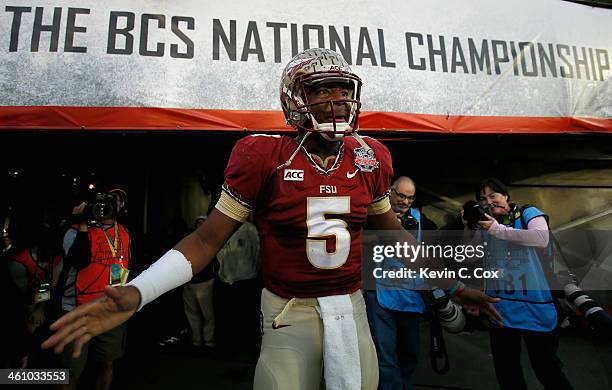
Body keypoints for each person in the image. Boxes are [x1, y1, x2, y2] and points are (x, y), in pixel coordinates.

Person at [43, 48, 500, 390]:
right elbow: (207, 241)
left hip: (352, 310)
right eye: (322, 90)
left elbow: (397, 238)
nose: (337, 101)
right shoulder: (263, 155)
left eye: (344, 90)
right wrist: (141, 290)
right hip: (288, 312)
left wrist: (454, 288)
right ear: (295, 98)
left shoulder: (370, 155)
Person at [468, 178, 573, 390]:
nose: (489, 202)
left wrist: (498, 230)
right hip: (502, 309)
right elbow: (469, 255)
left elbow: (541, 238)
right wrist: (467, 226)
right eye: (483, 199)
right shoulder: (486, 226)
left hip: (537, 307)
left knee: (547, 371)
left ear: (506, 196)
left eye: (493, 196)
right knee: (508, 374)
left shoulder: (527, 213)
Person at [56, 190, 131, 390]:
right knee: (71, 371)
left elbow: (122, 266)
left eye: (111, 202)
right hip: (77, 308)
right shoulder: (74, 231)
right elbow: (79, 261)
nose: (105, 207)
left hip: (109, 307)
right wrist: (82, 224)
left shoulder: (123, 232)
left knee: (107, 362)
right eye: (100, 203)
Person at [366, 176, 429, 390]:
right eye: (401, 195)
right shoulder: (372, 215)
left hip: (410, 296)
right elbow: (355, 240)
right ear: (389, 191)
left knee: (409, 353)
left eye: (409, 198)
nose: (404, 201)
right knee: (384, 355)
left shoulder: (421, 221)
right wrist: (385, 233)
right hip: (379, 294)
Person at [214, 215, 261, 356]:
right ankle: (230, 347)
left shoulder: (250, 229)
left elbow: (258, 253)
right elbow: (219, 251)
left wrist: (254, 271)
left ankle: (247, 347)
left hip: (246, 279)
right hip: (227, 280)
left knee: (246, 315)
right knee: (228, 316)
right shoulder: (224, 228)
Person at [182, 215, 218, 351]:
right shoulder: (189, 240)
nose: (200, 225)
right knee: (192, 314)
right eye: (198, 222)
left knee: (207, 314)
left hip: (205, 282)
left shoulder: (212, 240)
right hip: (189, 282)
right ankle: (196, 341)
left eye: (203, 222)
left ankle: (209, 342)